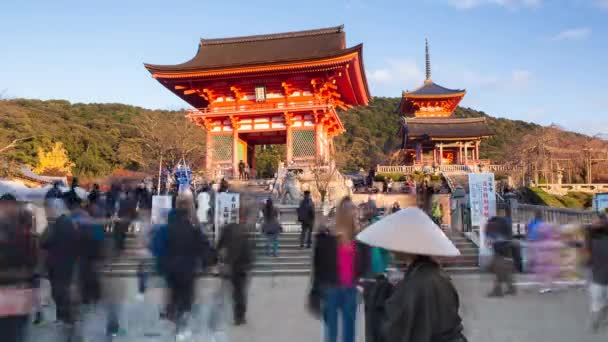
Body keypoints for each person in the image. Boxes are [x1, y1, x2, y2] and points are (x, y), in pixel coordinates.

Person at [356, 207, 466, 342]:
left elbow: (395, 326)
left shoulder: (418, 281)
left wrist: (374, 293)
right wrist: (384, 289)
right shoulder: (434, 274)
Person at [310, 197, 369, 342]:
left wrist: (361, 283)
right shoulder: (328, 237)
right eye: (350, 211)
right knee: (332, 330)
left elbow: (364, 263)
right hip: (331, 288)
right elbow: (318, 264)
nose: (354, 214)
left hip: (351, 289)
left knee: (349, 331)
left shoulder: (359, 239)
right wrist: (316, 290)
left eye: (354, 211)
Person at [165, 193, 212, 338]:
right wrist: (207, 263)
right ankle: (181, 328)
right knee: (185, 300)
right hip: (187, 268)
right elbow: (203, 245)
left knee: (176, 297)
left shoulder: (169, 224)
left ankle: (177, 326)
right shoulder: (193, 226)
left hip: (173, 268)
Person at [0, 195, 37, 342]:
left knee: (13, 332)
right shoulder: (25, 233)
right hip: (16, 290)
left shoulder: (24, 234)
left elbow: (32, 262)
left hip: (16, 290)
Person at [41, 200, 79, 325]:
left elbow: (45, 242)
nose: (47, 212)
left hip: (60, 264)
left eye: (48, 209)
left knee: (59, 292)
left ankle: (66, 318)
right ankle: (63, 317)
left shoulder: (59, 224)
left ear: (55, 209)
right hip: (64, 263)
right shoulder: (66, 222)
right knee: (60, 291)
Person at [217, 222, 253, 325]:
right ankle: (240, 315)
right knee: (240, 291)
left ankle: (238, 315)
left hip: (233, 265)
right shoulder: (242, 234)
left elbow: (219, 247)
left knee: (236, 292)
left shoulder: (226, 233)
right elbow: (248, 250)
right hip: (242, 266)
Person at [585, 214, 608, 332]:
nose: (596, 224)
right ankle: (595, 320)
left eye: (599, 222)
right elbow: (587, 256)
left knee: (603, 301)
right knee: (596, 300)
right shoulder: (590, 236)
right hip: (596, 275)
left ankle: (601, 315)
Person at [485, 217, 516, 297]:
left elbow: (489, 242)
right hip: (507, 251)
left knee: (498, 271)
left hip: (499, 252)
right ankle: (511, 288)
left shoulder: (492, 227)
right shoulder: (504, 226)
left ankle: (497, 291)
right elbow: (510, 238)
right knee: (505, 271)